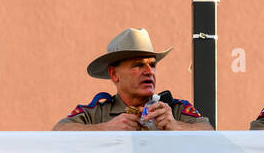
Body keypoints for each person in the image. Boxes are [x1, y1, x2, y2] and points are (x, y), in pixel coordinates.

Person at [53, 28, 210, 131]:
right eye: (138, 65)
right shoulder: (97, 113)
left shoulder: (173, 110)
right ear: (114, 74)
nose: (149, 71)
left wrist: (176, 126)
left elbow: (209, 132)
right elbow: (58, 132)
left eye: (152, 65)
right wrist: (105, 129)